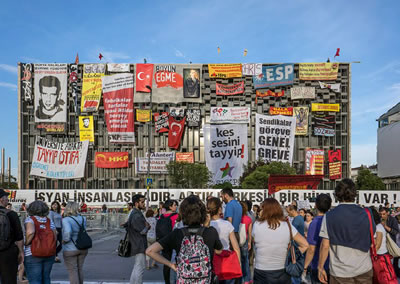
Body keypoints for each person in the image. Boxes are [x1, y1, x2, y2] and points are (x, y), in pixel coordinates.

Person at [146, 195, 223, 283]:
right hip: (205, 280)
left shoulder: (177, 233)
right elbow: (219, 250)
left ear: (182, 214)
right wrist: (206, 227)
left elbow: (150, 251)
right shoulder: (211, 232)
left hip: (184, 279)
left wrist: (171, 265)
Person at [318, 179, 374, 283]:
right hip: (364, 269)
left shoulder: (329, 216)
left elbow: (325, 246)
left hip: (340, 273)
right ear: (354, 193)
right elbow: (373, 240)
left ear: (337, 194)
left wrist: (320, 268)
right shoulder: (367, 213)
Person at [252, 198, 309, 284]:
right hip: (282, 270)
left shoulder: (257, 225)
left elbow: (253, 241)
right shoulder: (287, 226)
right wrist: (291, 255)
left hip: (261, 270)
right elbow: (305, 245)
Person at [207, 197, 241, 284]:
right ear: (219, 209)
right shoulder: (227, 224)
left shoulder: (206, 226)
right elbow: (236, 247)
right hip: (226, 262)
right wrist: (239, 264)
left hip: (210, 260)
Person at [24, 200, 57, 284]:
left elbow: (30, 232)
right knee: (46, 278)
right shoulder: (49, 221)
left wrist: (26, 243)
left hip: (32, 253)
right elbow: (55, 236)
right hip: (48, 253)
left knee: (35, 280)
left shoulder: (30, 220)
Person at [304, 194, 332, 284]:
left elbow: (311, 249)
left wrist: (305, 267)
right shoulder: (332, 221)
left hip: (317, 265)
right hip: (332, 265)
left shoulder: (314, 223)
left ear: (315, 205)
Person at [0, 189, 24, 284]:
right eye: (6, 198)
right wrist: (21, 252)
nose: (7, 200)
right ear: (1, 199)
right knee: (9, 280)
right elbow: (19, 236)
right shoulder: (12, 214)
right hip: (8, 252)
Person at [62, 202, 89, 284]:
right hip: (83, 246)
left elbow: (67, 232)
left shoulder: (66, 220)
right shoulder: (83, 218)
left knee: (72, 271)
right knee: (80, 269)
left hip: (70, 248)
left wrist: (64, 240)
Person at [127, 194, 150, 284]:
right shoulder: (136, 215)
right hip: (139, 244)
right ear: (136, 203)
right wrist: (147, 227)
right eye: (142, 202)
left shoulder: (134, 213)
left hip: (136, 243)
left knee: (137, 266)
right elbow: (142, 231)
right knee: (140, 267)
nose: (144, 204)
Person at [158, 199, 179, 284]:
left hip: (163, 242)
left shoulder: (161, 216)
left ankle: (167, 282)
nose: (176, 206)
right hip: (174, 242)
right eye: (174, 205)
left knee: (166, 263)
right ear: (170, 206)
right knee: (175, 262)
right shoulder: (176, 216)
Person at [240, 201, 252, 284]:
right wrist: (250, 242)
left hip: (237, 241)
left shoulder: (237, 218)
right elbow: (250, 232)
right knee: (246, 261)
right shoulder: (249, 219)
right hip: (245, 241)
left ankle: (240, 279)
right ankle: (247, 279)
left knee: (238, 261)